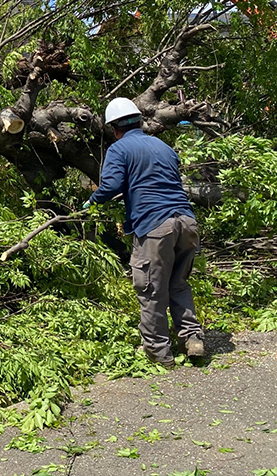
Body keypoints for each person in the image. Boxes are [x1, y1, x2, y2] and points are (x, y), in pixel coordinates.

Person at [85, 97, 205, 368]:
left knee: (150, 288)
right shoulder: (163, 146)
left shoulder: (119, 149)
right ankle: (192, 339)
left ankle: (159, 354)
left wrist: (92, 201)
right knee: (179, 283)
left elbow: (112, 185)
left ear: (114, 128)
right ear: (139, 121)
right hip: (186, 221)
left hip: (155, 226)